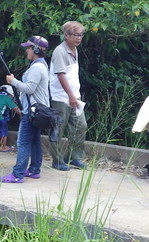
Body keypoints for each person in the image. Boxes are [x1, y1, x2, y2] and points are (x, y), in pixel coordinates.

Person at [1, 36, 50, 183]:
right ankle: (34, 170)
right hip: (38, 111)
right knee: (34, 141)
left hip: (32, 112)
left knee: (23, 143)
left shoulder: (37, 68)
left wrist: (13, 81)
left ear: (35, 49)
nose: (27, 51)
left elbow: (29, 88)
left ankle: (17, 174)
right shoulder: (41, 65)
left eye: (29, 48)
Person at [47, 21, 88, 171]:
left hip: (74, 96)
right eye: (75, 35)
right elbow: (61, 75)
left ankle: (73, 156)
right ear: (66, 35)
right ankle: (57, 160)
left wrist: (74, 95)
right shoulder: (60, 51)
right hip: (61, 97)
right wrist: (70, 95)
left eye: (80, 35)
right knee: (58, 129)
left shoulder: (74, 49)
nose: (78, 38)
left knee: (80, 126)